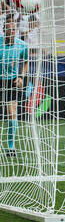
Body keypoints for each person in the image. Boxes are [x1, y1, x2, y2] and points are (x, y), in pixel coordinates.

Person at [0, 14, 29, 157]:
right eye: (8, 29)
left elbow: (26, 62)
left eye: (13, 30)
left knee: (12, 114)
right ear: (4, 29)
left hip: (11, 82)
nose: (11, 32)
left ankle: (11, 148)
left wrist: (21, 76)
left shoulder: (22, 45)